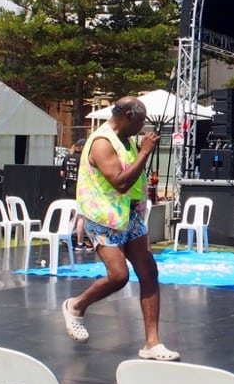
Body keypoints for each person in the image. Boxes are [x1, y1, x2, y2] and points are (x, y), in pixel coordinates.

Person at [61, 96, 179, 360]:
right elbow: (120, 183)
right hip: (103, 216)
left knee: (148, 270)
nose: (142, 128)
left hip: (128, 214)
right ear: (126, 115)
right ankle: (76, 306)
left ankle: (152, 343)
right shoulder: (102, 143)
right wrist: (145, 152)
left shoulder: (126, 141)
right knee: (119, 276)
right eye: (139, 121)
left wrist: (141, 205)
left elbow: (133, 184)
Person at [60, 139, 88, 249]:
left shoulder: (67, 157)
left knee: (72, 215)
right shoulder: (82, 158)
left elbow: (62, 173)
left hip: (68, 188)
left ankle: (68, 238)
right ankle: (79, 243)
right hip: (79, 189)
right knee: (81, 216)